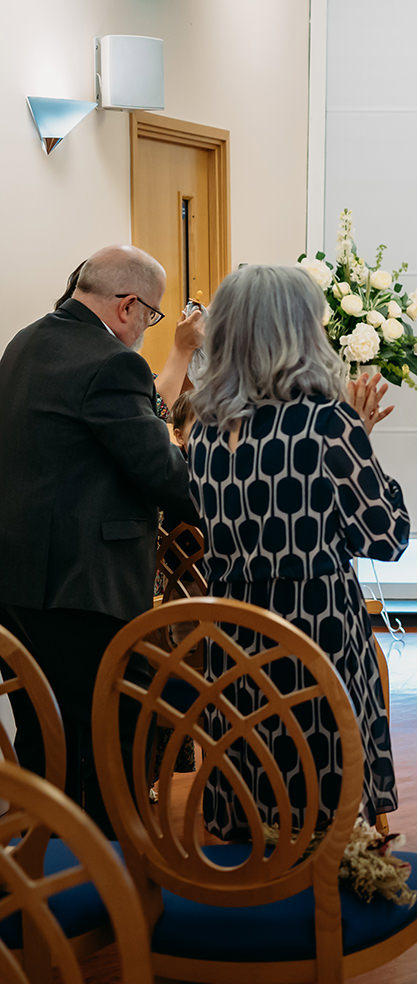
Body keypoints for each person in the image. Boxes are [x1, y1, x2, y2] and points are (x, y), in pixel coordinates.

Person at [184, 264, 409, 839]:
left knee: (251, 779)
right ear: (301, 331)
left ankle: (252, 898)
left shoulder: (206, 430)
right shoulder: (326, 425)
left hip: (232, 637)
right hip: (314, 636)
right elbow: (385, 536)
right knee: (319, 797)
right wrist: (360, 440)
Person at [0, 245, 198, 834]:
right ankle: (117, 879)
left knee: (43, 739)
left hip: (18, 583)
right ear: (128, 305)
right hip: (87, 587)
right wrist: (231, 515)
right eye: (152, 316)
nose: (146, 328)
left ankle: (44, 879)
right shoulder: (113, 363)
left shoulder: (24, 344)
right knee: (114, 745)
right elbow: (160, 471)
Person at [56, 262, 206, 424]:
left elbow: (156, 391)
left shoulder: (51, 339)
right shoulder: (105, 362)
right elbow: (155, 412)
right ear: (126, 306)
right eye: (149, 314)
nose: (145, 327)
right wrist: (182, 348)